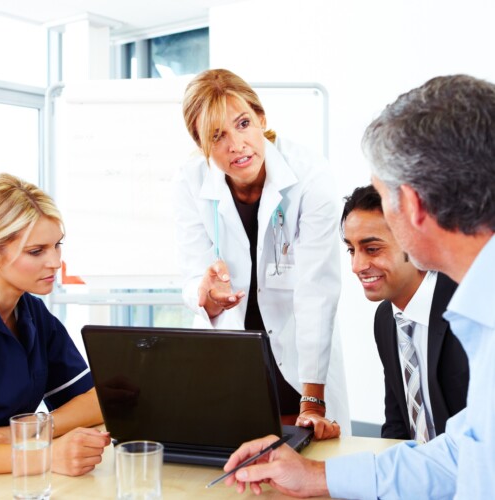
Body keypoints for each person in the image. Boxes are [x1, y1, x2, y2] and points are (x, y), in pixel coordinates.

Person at [223, 74, 495, 498]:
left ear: (413, 205)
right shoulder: (479, 309)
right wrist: (315, 477)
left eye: (384, 196)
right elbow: (464, 455)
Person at [173, 68, 350, 438]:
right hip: (232, 354)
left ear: (261, 118)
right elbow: (191, 275)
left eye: (242, 124)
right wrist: (206, 296)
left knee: (305, 467)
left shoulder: (310, 176)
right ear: (201, 143)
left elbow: (316, 288)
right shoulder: (191, 180)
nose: (236, 145)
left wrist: (313, 398)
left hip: (300, 353)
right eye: (216, 136)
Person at [0, 173, 111, 476]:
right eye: (37, 251)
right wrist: (46, 456)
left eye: (57, 245)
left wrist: (37, 427)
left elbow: (98, 400)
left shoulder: (32, 314)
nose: (55, 262)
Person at [341, 184, 469, 441]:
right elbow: (397, 426)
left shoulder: (464, 307)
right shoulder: (386, 319)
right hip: (419, 473)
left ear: (413, 241)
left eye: (372, 249)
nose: (356, 266)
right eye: (351, 250)